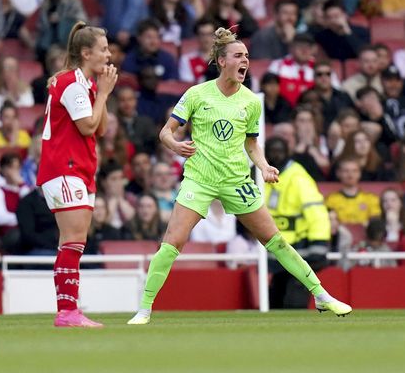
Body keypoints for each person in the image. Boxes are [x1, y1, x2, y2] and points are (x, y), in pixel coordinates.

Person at [127, 26, 351, 325]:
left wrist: (263, 165)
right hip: (200, 179)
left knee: (275, 241)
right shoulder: (197, 94)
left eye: (247, 56)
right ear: (222, 61)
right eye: (238, 55)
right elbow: (165, 132)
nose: (244, 60)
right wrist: (175, 145)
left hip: (236, 180)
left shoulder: (251, 101)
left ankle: (321, 295)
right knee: (173, 242)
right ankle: (144, 309)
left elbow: (250, 142)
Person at [36, 21, 118, 327]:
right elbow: (86, 126)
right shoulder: (71, 84)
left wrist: (103, 93)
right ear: (86, 53)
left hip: (79, 168)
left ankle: (68, 310)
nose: (108, 54)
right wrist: (103, 93)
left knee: (73, 242)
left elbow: (101, 128)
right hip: (65, 167)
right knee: (73, 240)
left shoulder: (85, 84)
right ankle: (67, 311)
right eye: (103, 49)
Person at [263, 136, 332, 308]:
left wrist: (319, 244)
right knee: (277, 293)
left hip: (300, 246)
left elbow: (316, 212)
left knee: (295, 294)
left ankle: (296, 329)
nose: (276, 156)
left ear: (288, 153)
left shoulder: (298, 177)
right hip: (273, 245)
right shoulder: (259, 174)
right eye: (272, 152)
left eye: (280, 151)